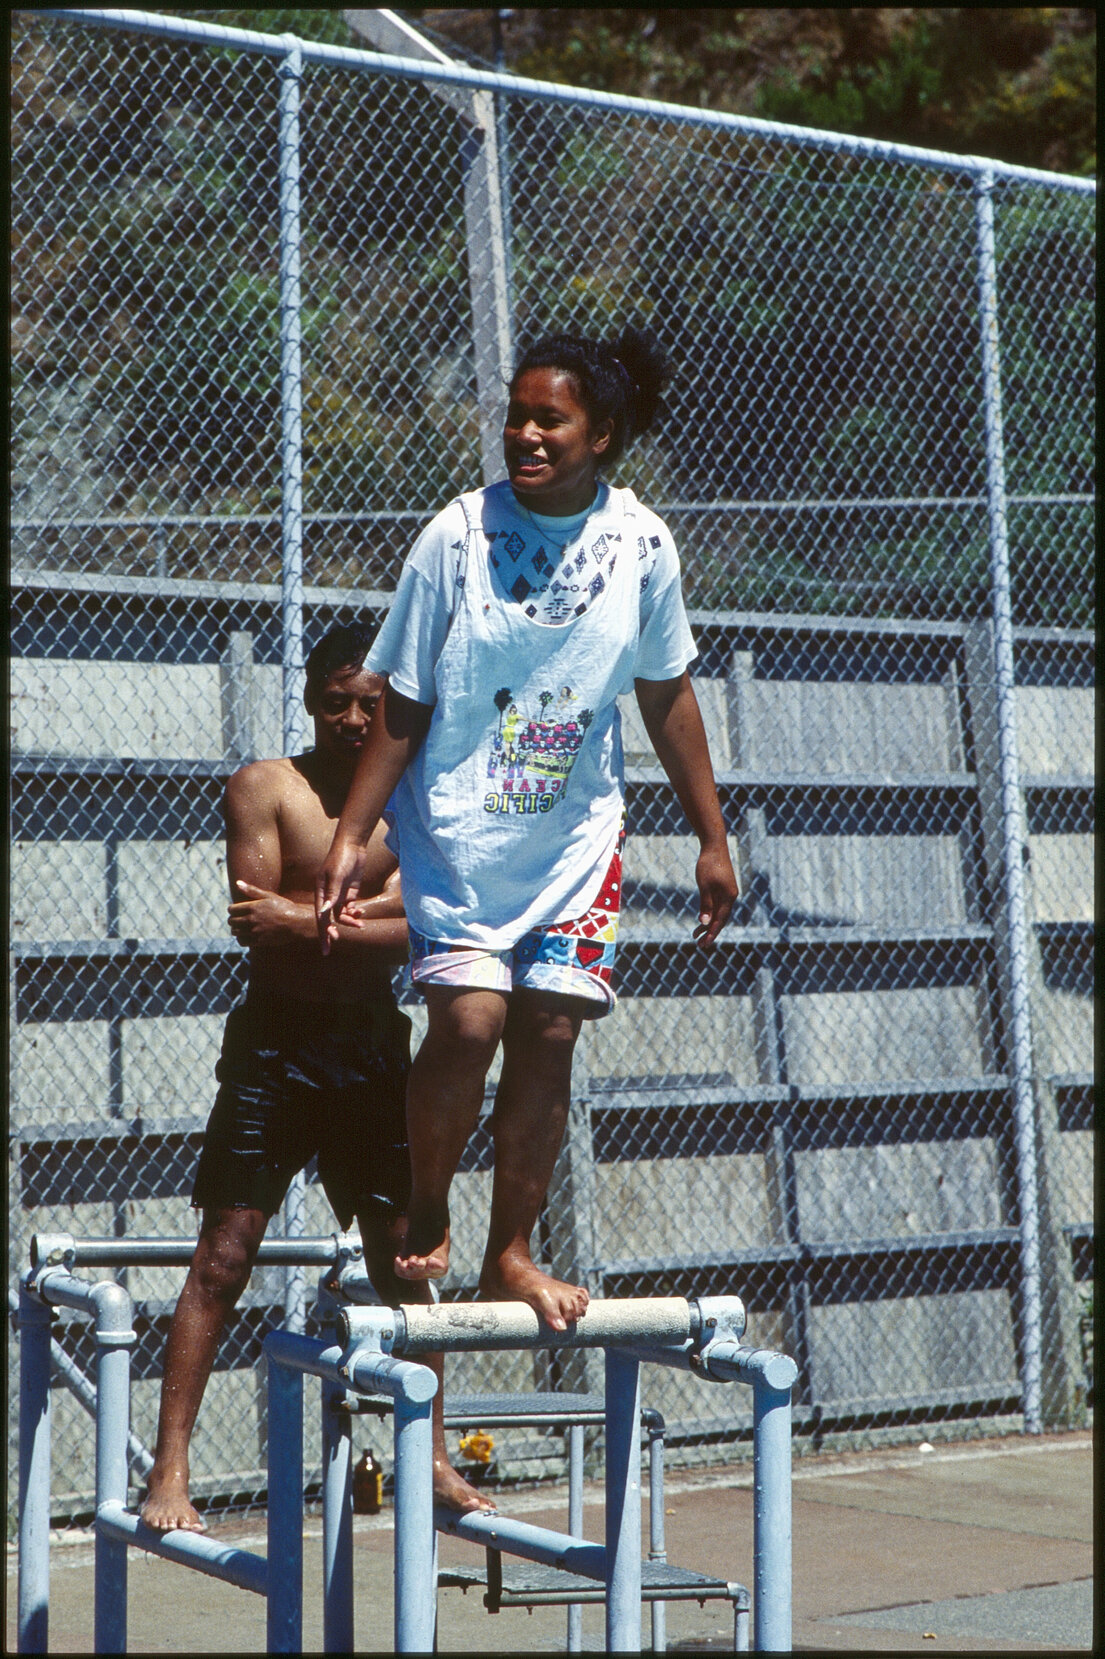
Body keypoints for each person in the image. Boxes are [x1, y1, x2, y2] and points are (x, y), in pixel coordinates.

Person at [315, 327, 738, 1332]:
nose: (525, 434)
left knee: (547, 1031)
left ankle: (510, 1251)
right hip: (462, 838)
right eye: (515, 414)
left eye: (549, 418)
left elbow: (665, 691)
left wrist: (710, 836)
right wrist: (351, 835)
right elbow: (404, 702)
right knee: (468, 1023)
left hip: (574, 841)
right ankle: (428, 1195)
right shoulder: (454, 536)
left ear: (601, 433)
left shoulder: (641, 544)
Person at [140, 622, 491, 1532]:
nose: (350, 717)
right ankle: (169, 1472)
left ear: (393, 709)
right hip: (275, 1043)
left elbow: (427, 931)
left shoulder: (414, 795)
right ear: (307, 700)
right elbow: (255, 920)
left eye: (370, 704)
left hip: (371, 1044)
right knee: (223, 1253)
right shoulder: (267, 787)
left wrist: (316, 914)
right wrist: (354, 908)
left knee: (405, 1258)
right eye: (335, 700)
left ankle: (436, 1457)